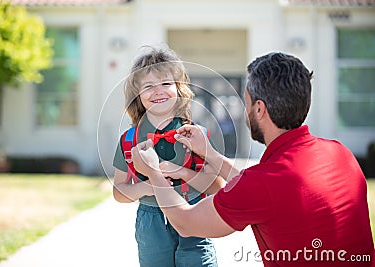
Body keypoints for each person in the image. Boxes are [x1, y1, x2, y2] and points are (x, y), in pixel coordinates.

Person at [131, 52, 375, 267]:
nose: (244, 111)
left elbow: (186, 223)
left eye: (245, 103)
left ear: (259, 109)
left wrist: (152, 170)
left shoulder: (263, 184)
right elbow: (270, 192)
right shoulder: (341, 153)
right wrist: (211, 154)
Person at [112, 45, 224, 267]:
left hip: (195, 214)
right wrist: (150, 186)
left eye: (165, 83)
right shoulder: (129, 140)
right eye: (149, 86)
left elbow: (217, 185)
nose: (158, 91)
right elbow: (118, 191)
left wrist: (183, 172)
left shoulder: (195, 134)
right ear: (138, 95)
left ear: (179, 89)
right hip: (152, 221)